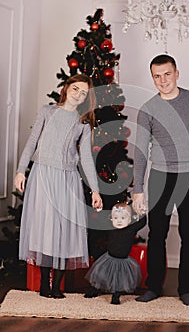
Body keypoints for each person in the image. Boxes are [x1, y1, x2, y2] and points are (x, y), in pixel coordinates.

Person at [132, 54, 189, 306]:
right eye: (157, 76)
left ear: (177, 73)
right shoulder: (148, 108)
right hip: (159, 176)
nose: (163, 80)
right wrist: (138, 189)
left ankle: (186, 289)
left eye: (167, 74)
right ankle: (153, 288)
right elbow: (139, 150)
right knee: (156, 234)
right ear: (153, 78)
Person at [14, 73, 103, 299]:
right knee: (45, 228)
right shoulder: (47, 111)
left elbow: (86, 158)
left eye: (84, 93)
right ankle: (45, 284)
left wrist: (95, 190)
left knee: (64, 230)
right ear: (66, 88)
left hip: (68, 179)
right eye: (76, 89)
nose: (78, 95)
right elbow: (32, 142)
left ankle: (57, 287)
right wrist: (19, 171)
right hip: (42, 175)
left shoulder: (83, 123)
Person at [84, 202, 146, 304]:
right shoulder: (110, 227)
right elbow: (101, 220)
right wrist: (99, 211)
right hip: (109, 258)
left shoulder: (131, 229)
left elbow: (142, 222)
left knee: (119, 280)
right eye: (116, 218)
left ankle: (116, 295)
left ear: (129, 220)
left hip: (123, 261)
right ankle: (95, 289)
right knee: (100, 274)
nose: (119, 221)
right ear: (112, 219)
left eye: (123, 218)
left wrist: (142, 212)